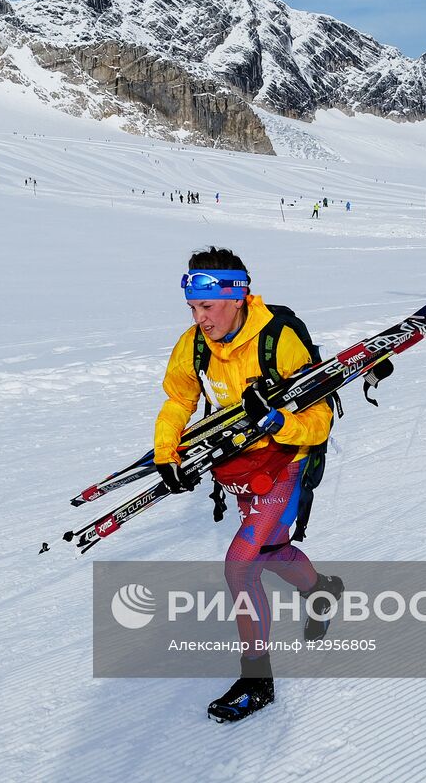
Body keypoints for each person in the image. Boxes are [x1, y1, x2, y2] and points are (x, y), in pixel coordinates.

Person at [154, 248, 339, 722]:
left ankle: (256, 678)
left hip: (285, 463)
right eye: (192, 308)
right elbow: (180, 399)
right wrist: (166, 452)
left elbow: (319, 421)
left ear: (237, 297)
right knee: (270, 550)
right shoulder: (193, 345)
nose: (200, 319)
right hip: (240, 470)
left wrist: (278, 421)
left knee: (241, 563)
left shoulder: (279, 341)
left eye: (207, 307)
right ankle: (321, 590)